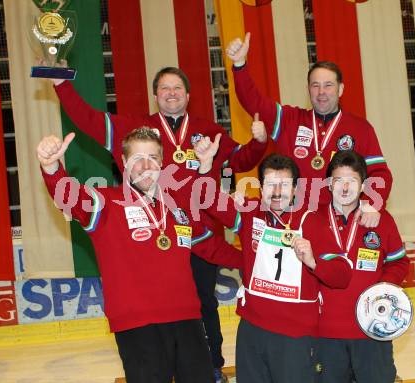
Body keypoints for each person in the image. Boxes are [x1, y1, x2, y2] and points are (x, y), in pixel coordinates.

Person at [50, 66, 268, 382]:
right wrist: (60, 87)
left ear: (188, 95)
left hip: (186, 258)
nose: (171, 92)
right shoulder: (130, 147)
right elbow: (88, 126)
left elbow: (236, 167)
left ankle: (215, 364)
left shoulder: (207, 133)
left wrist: (258, 143)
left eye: (177, 87)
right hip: (140, 306)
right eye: (164, 87)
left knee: (205, 308)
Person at [37, 127, 242, 383]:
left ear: (162, 162)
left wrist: (253, 262)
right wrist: (52, 168)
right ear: (123, 163)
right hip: (138, 324)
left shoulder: (176, 205)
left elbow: (209, 247)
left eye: (153, 158)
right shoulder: (105, 204)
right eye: (137, 159)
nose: (146, 166)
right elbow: (71, 197)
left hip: (188, 318)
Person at [192, 122, 353, 383]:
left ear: (296, 189)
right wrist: (206, 166)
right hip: (252, 331)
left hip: (296, 335)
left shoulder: (314, 220)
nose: (277, 193)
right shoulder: (250, 212)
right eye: (270, 185)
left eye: (284, 185)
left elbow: (342, 276)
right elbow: (208, 201)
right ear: (260, 186)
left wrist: (313, 261)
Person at [225, 33, 393, 228]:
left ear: (340, 89)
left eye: (328, 85)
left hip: (340, 225)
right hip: (295, 225)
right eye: (316, 86)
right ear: (308, 90)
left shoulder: (360, 128)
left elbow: (380, 173)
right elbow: (253, 102)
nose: (321, 92)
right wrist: (239, 64)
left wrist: (373, 204)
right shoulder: (289, 120)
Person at [314, 150, 409, 383]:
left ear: (363, 185)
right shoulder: (312, 221)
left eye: (352, 181)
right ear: (328, 184)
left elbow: (399, 261)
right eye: (338, 181)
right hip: (325, 334)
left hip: (372, 331)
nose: (344, 188)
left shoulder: (381, 220)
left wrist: (381, 290)